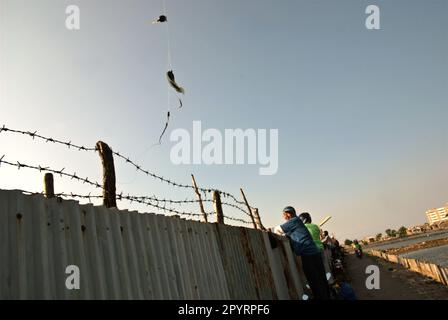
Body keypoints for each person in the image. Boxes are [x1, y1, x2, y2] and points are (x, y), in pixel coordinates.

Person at [271, 206, 331, 300]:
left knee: (314, 281)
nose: (284, 217)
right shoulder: (296, 223)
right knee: (321, 279)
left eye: (284, 214)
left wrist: (271, 233)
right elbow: (288, 234)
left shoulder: (294, 221)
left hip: (308, 255)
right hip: (314, 253)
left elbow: (277, 230)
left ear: (288, 214)